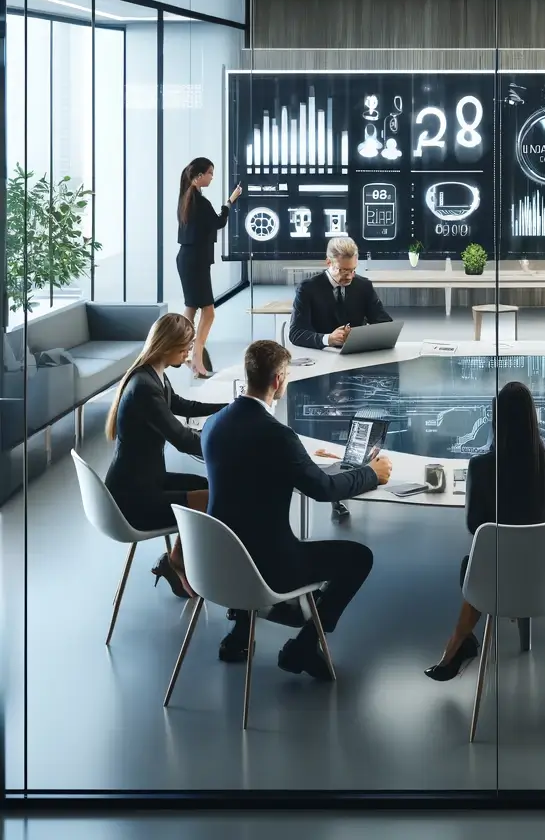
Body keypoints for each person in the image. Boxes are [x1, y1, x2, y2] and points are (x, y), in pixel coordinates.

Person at [202, 340, 392, 677]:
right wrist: (370, 474)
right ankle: (304, 647)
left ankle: (241, 633)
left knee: (245, 521)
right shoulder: (278, 436)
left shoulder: (214, 424)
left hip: (217, 561)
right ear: (278, 380)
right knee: (359, 557)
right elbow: (323, 489)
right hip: (267, 569)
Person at [425, 381, 545, 681]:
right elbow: (540, 513)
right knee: (495, 562)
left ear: (495, 420)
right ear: (533, 418)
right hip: (543, 578)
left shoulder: (481, 466)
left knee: (472, 565)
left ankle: (458, 645)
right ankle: (456, 646)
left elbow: (476, 527)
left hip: (494, 582)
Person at [104, 313, 226, 598]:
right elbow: (183, 439)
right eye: (184, 349)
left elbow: (183, 404)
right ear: (166, 345)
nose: (187, 356)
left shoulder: (151, 373)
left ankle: (177, 561)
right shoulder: (144, 389)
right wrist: (226, 447)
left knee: (209, 488)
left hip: (145, 480)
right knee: (215, 496)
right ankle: (183, 564)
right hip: (133, 499)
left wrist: (230, 407)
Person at [176, 158, 242, 378]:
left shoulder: (186, 197)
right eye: (210, 173)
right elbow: (218, 222)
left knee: (191, 308)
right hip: (195, 260)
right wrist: (230, 201)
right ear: (199, 175)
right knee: (208, 311)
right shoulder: (199, 201)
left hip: (189, 258)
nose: (212, 177)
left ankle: (184, 353)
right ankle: (195, 355)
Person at [288, 237, 392, 351]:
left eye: (353, 270)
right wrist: (328, 339)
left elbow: (385, 324)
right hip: (321, 355)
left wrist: (358, 335)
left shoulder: (364, 285)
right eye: (343, 270)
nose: (349, 276)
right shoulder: (307, 288)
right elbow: (296, 333)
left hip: (357, 355)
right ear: (328, 262)